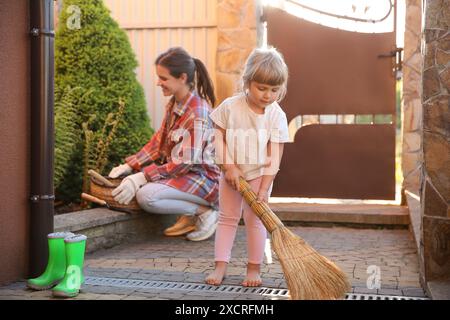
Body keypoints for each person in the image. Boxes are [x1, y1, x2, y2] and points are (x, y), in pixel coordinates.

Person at [108, 47, 220, 242]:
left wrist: (142, 176)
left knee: (147, 196)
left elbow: (183, 163)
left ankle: (205, 213)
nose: (159, 83)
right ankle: (191, 215)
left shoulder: (197, 113)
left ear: (182, 78)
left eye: (164, 78)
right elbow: (158, 142)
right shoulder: (176, 103)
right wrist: (130, 165)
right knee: (146, 189)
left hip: (205, 181)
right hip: (186, 175)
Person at [205, 47, 289, 287]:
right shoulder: (230, 107)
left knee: (255, 221)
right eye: (261, 88)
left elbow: (275, 155)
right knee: (227, 218)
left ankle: (254, 268)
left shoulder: (276, 115)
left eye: (274, 90)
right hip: (231, 174)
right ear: (248, 82)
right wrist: (229, 167)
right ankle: (220, 266)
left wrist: (264, 188)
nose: (267, 95)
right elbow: (217, 138)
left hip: (259, 176)